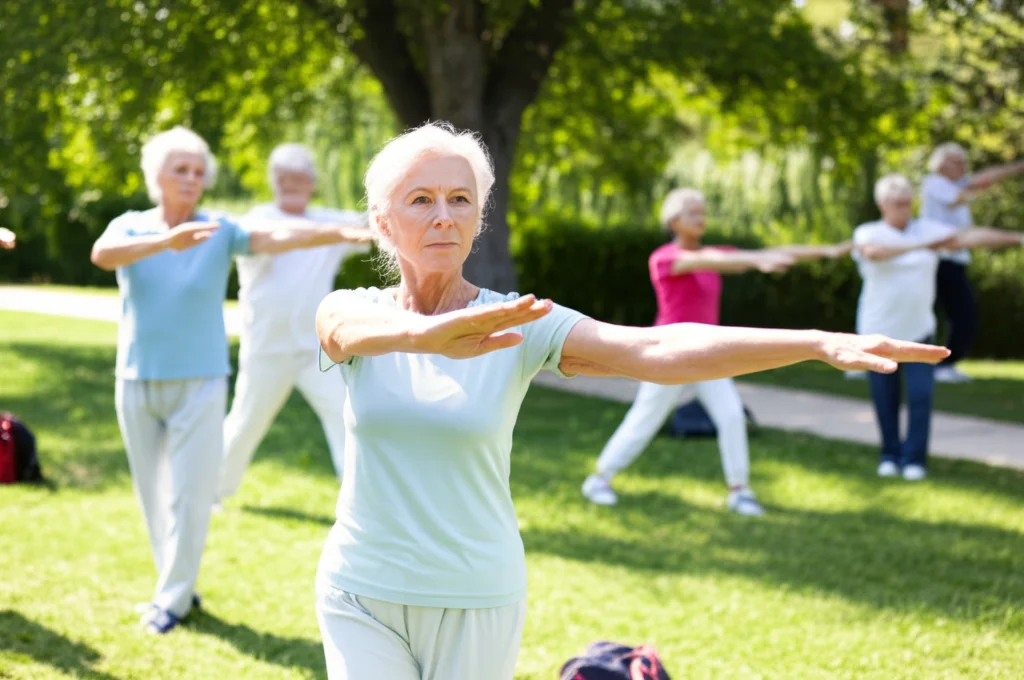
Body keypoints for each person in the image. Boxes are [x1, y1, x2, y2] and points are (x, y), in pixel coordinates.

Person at [313, 121, 948, 679]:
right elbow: (344, 333)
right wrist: (430, 337)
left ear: (479, 216)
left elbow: (657, 348)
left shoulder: (517, 322)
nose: (443, 216)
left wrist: (813, 341)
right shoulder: (354, 312)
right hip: (360, 589)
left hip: (476, 593)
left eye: (460, 199)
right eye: (420, 200)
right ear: (382, 222)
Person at [90, 126, 367, 635]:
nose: (193, 179)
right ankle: (176, 586)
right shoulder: (129, 226)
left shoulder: (221, 228)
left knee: (191, 495)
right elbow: (103, 255)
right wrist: (166, 241)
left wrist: (338, 233)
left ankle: (171, 601)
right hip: (135, 376)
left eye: (199, 172)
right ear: (157, 176)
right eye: (182, 170)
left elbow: (277, 236)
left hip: (201, 380)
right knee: (153, 494)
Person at [581, 188, 852, 515]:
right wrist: (755, 260)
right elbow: (710, 260)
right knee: (645, 420)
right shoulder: (664, 258)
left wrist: (829, 250)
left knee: (732, 415)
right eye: (693, 213)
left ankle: (739, 490)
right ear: (674, 221)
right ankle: (599, 479)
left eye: (703, 212)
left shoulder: (716, 255)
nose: (701, 218)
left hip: (708, 353)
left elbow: (772, 251)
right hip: (669, 353)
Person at [217, 144, 371, 503]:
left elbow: (375, 224)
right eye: (284, 179)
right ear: (273, 182)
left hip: (316, 348)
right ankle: (210, 496)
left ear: (312, 183)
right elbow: (285, 238)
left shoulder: (329, 219)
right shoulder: (257, 218)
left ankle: (359, 500)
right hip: (266, 348)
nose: (292, 185)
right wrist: (339, 233)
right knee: (245, 424)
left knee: (346, 416)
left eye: (300, 179)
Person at [854, 173, 1023, 481]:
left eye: (908, 203)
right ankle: (890, 454)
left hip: (920, 331)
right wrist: (924, 245)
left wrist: (1016, 238)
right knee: (885, 398)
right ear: (883, 205)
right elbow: (874, 253)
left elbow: (969, 236)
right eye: (898, 204)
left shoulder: (927, 229)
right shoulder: (868, 232)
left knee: (921, 397)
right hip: (877, 334)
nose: (905, 209)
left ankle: (915, 459)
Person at [920, 143, 1024, 383]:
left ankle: (944, 363)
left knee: (959, 315)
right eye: (958, 162)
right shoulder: (936, 184)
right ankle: (940, 364)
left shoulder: (951, 184)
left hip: (951, 261)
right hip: (940, 260)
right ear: (941, 164)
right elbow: (964, 194)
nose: (963, 167)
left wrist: (1016, 168)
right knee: (961, 314)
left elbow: (983, 178)